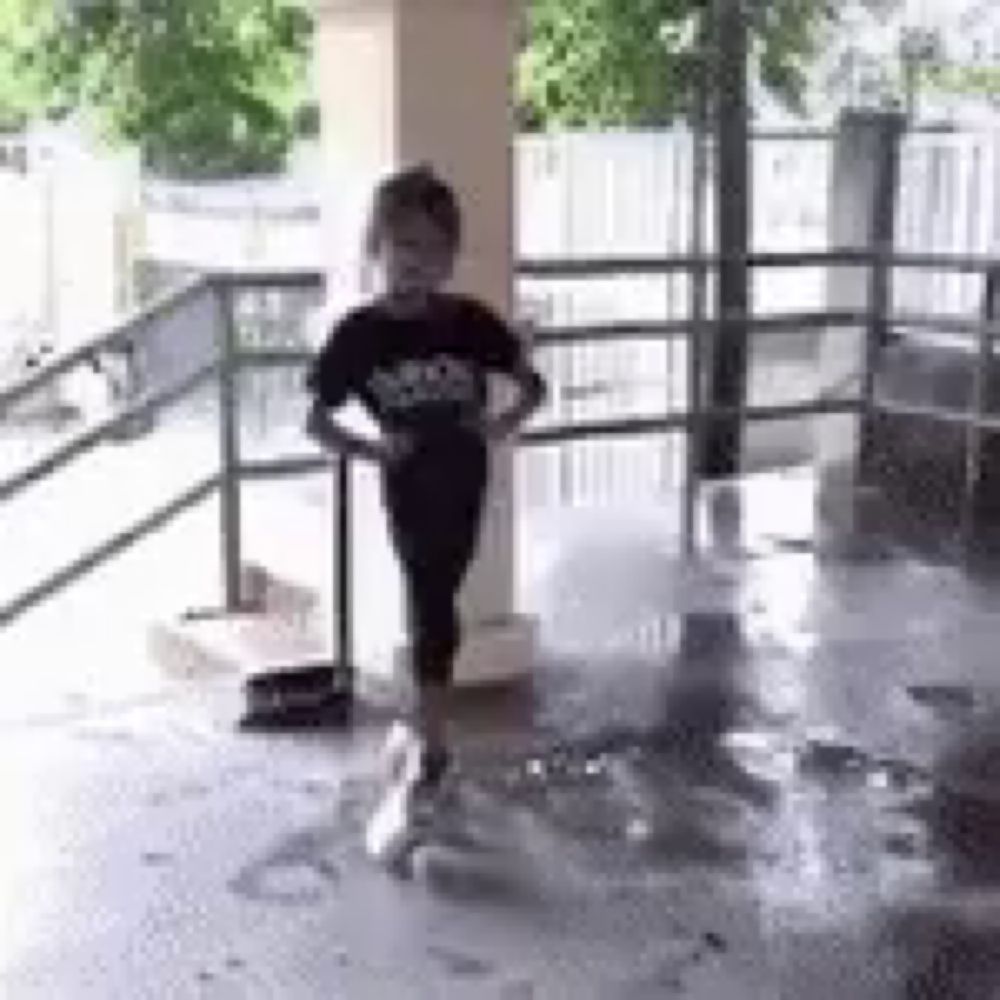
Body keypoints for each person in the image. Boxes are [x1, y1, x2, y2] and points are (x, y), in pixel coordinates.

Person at [304, 164, 547, 866]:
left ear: (449, 255)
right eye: (403, 246)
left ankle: (421, 727)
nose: (418, 262)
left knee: (441, 603)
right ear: (376, 248)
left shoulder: (470, 322)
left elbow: (532, 387)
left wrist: (498, 430)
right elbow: (317, 422)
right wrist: (375, 449)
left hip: (465, 483)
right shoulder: (358, 336)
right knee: (430, 603)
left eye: (434, 249)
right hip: (409, 489)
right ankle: (431, 748)